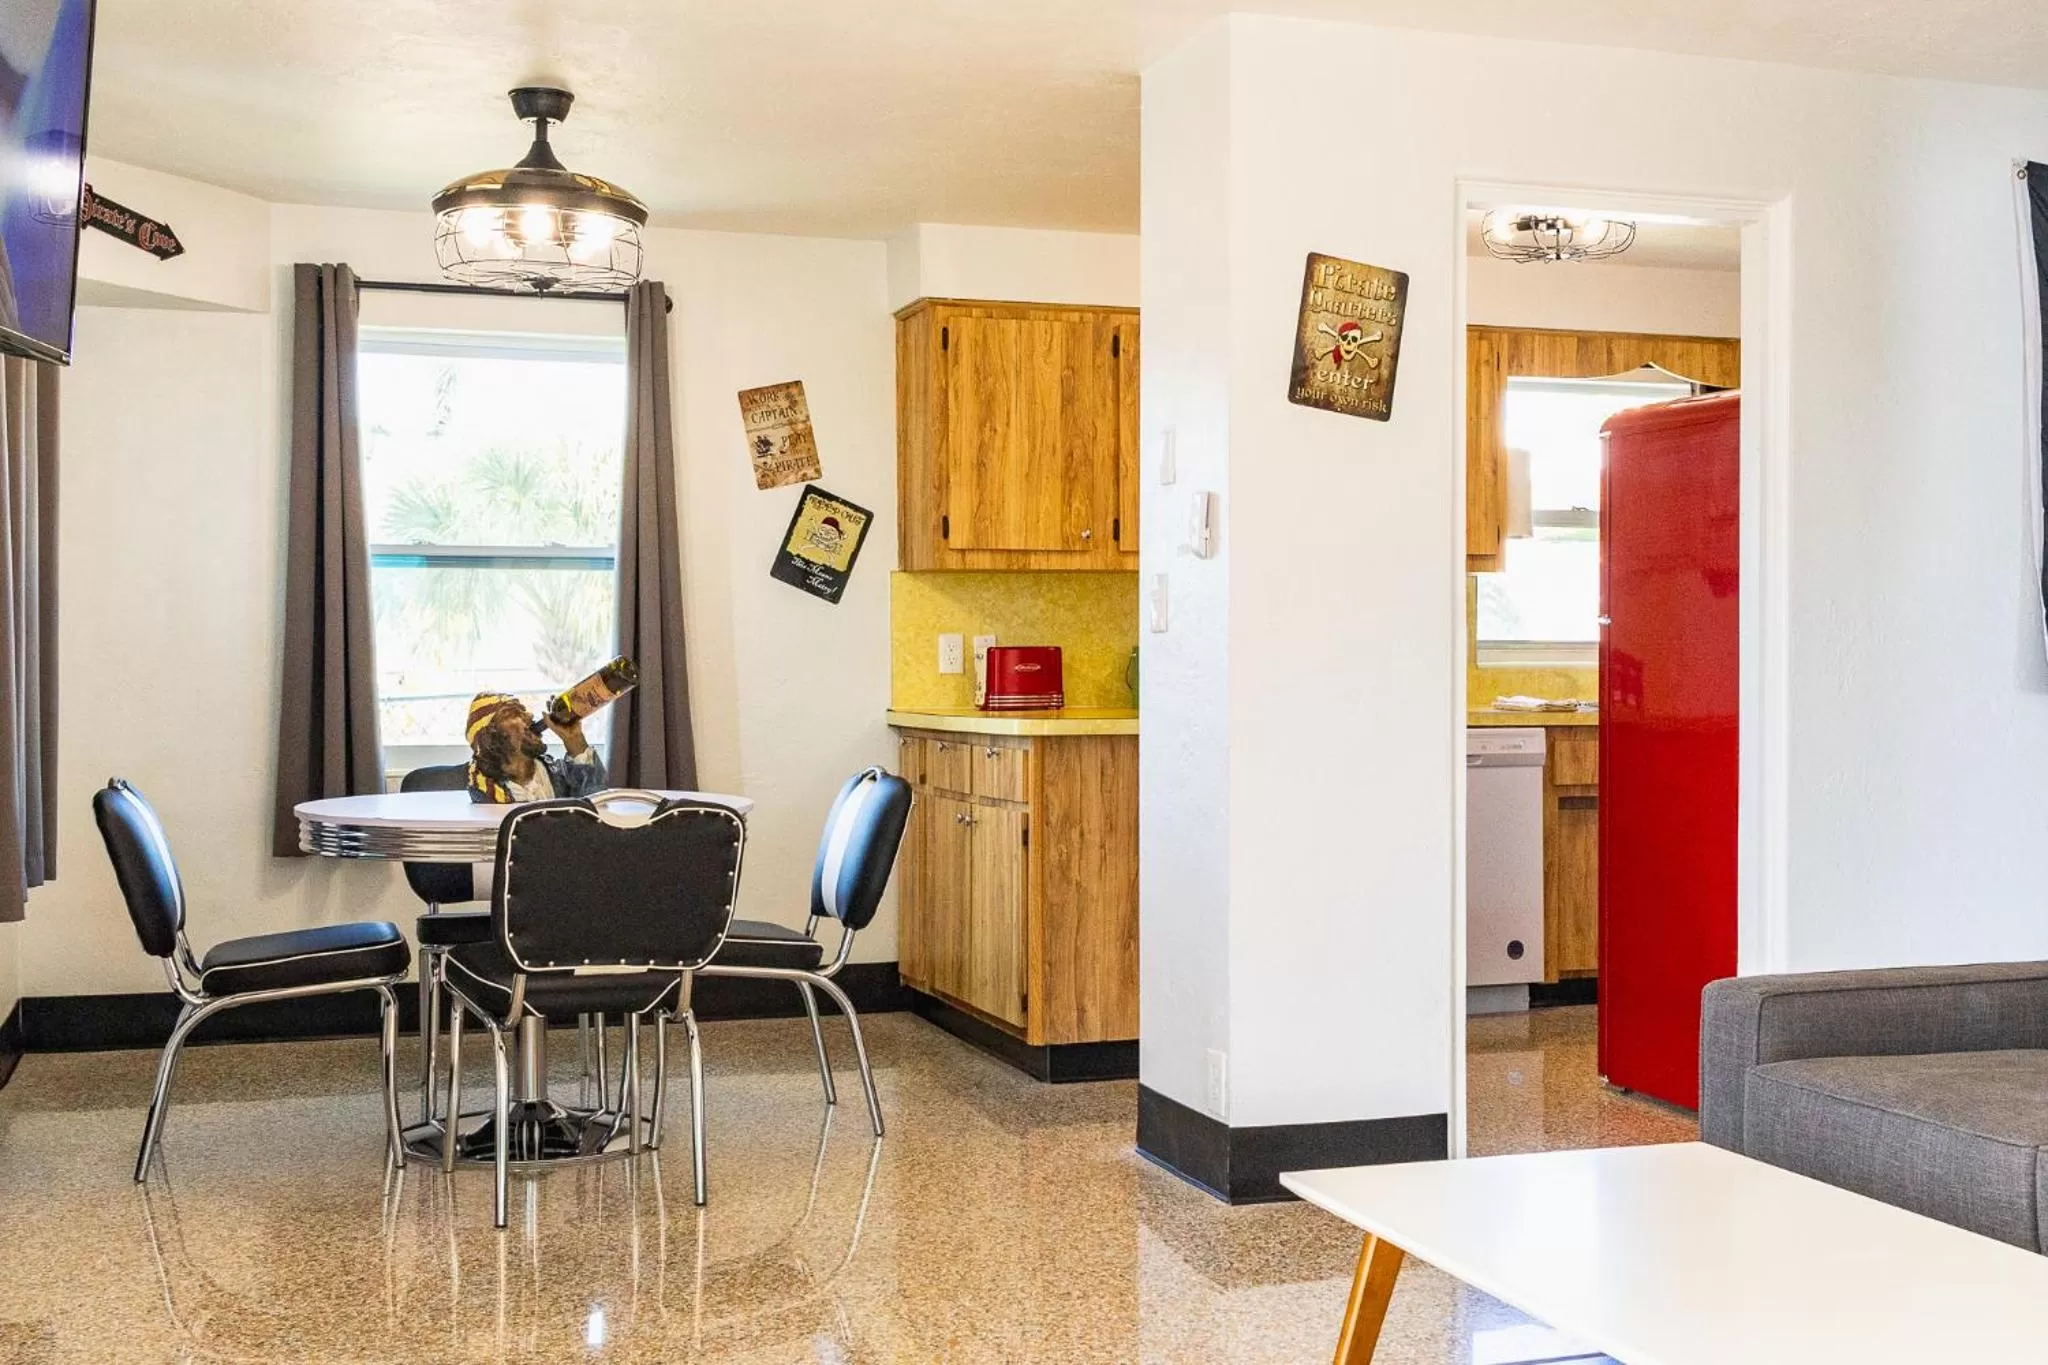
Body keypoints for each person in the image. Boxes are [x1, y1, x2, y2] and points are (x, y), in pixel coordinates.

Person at [465, 691, 607, 804]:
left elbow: (598, 813)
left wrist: (574, 740)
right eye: (513, 713)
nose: (530, 715)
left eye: (523, 711)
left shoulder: (562, 775)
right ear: (489, 738)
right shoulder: (485, 792)